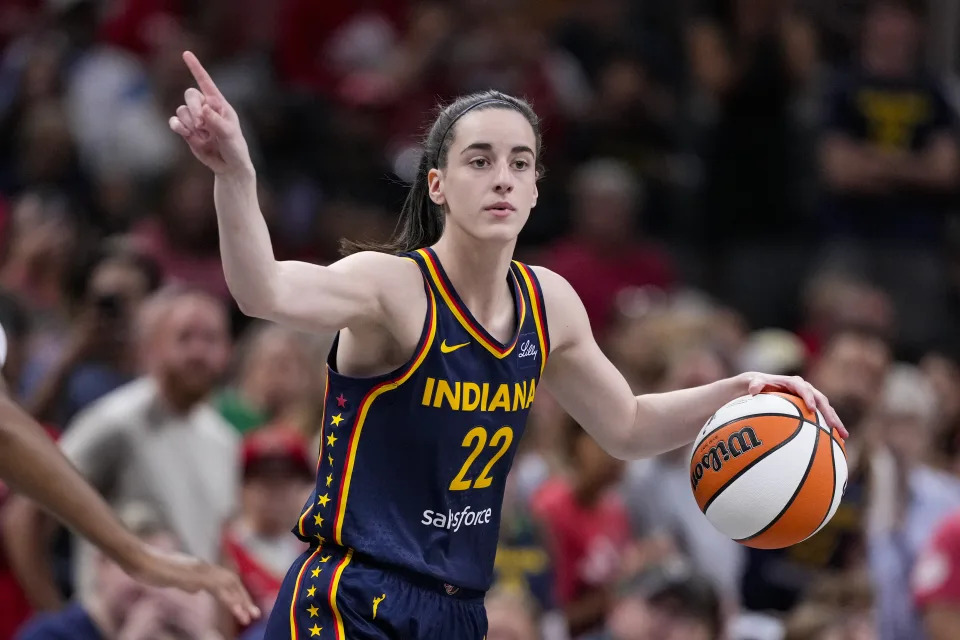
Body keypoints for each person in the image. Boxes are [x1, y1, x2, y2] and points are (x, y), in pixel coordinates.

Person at [169, 50, 845, 639]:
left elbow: (628, 428)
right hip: (352, 596)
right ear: (437, 184)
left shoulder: (550, 303)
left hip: (459, 609)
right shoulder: (391, 288)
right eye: (480, 160)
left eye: (520, 163)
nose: (502, 177)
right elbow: (264, 294)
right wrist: (236, 177)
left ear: (534, 188)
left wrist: (743, 389)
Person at [0, 323, 258, 624]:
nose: (199, 352)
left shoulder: (223, 438)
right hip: (114, 620)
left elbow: (218, 546)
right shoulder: (114, 419)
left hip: (187, 620)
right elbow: (21, 501)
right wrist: (56, 615)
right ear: (151, 347)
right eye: (184, 336)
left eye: (212, 338)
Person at [16, 503, 225, 640]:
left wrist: (201, 634)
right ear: (101, 564)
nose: (149, 587)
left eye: (162, 572)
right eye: (134, 570)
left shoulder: (167, 630)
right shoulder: (51, 634)